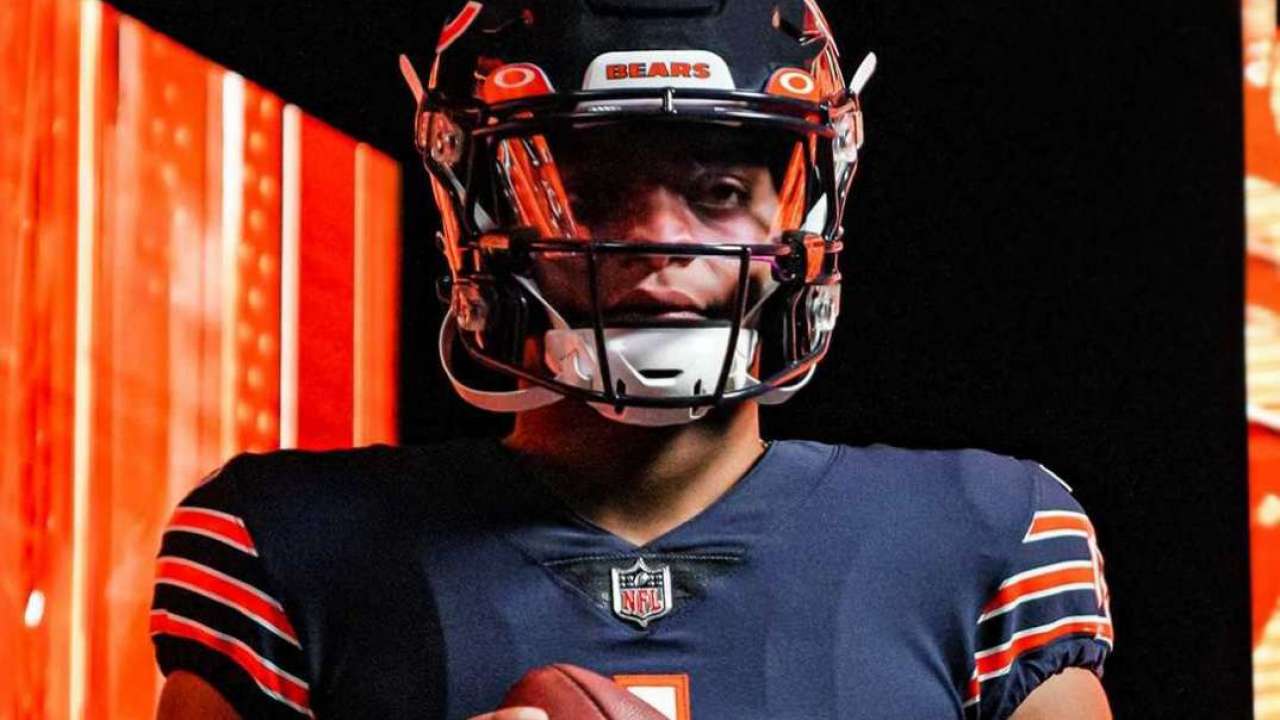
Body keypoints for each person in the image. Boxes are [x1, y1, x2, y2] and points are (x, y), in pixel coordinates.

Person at [151, 1, 1114, 718]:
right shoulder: (287, 546)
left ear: (806, 212)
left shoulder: (985, 539)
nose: (657, 240)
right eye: (590, 192)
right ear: (477, 208)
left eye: (719, 190)